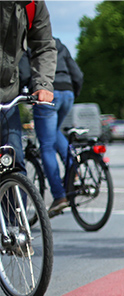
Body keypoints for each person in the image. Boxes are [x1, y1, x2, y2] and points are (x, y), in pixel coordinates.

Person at [24, 38, 83, 216]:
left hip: (46, 93)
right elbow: (77, 73)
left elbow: (25, 73)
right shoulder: (58, 43)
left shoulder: (27, 43)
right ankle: (74, 171)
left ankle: (59, 196)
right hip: (68, 92)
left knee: (47, 146)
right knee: (54, 133)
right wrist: (73, 92)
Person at [0, 1, 56, 173]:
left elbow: (44, 46)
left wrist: (43, 85)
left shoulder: (33, 4)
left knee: (13, 162)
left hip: (7, 93)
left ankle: (18, 199)